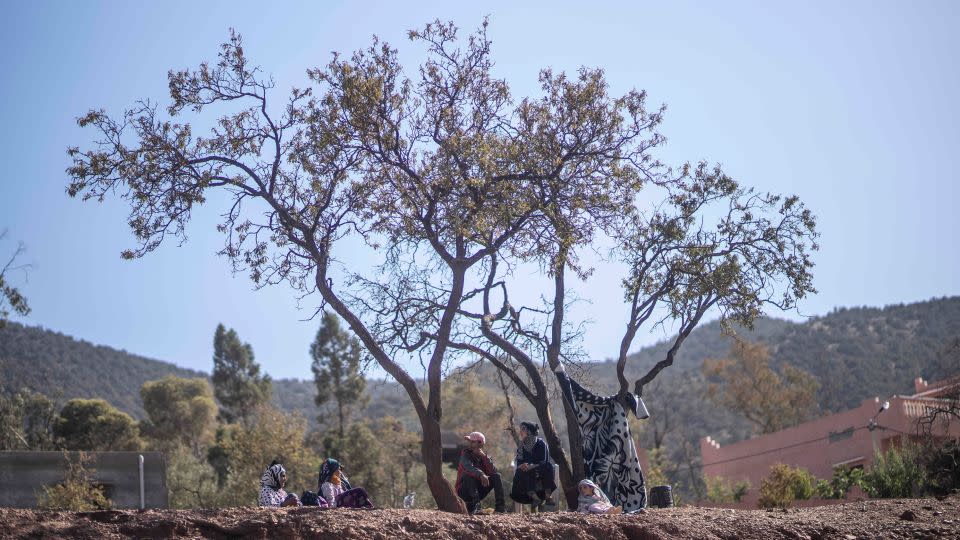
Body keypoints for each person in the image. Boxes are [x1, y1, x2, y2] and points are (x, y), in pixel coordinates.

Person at [456, 431, 506, 514]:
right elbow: (468, 468)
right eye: (469, 441)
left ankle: (500, 508)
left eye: (472, 442)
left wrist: (484, 457)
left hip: (478, 491)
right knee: (468, 476)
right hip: (463, 492)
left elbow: (493, 471)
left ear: (480, 444)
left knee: (497, 476)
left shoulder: (484, 457)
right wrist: (481, 474)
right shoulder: (465, 455)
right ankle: (477, 508)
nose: (469, 443)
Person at [510, 421, 556, 509]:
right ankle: (535, 498)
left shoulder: (541, 444)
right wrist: (522, 465)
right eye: (520, 429)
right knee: (522, 470)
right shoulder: (521, 446)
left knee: (548, 466)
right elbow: (519, 461)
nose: (520, 431)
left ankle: (548, 496)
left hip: (540, 471)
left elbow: (544, 461)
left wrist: (533, 466)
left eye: (523, 429)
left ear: (529, 431)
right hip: (527, 472)